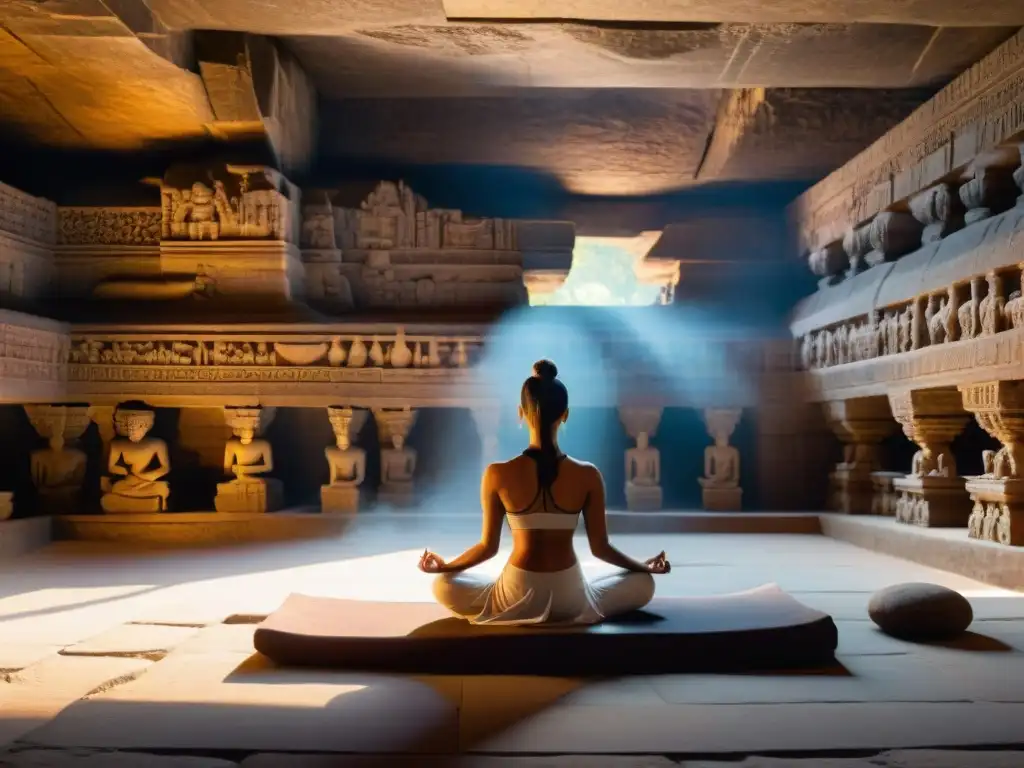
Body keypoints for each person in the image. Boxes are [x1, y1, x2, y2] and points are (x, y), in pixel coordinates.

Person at [421, 359, 670, 626]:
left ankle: (517, 608)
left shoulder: (497, 473)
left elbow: (487, 547)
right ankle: (577, 608)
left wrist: (446, 567)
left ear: (520, 412)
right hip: (569, 596)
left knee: (443, 585)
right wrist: (642, 568)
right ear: (565, 414)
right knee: (643, 583)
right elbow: (601, 548)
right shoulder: (587, 474)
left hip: (515, 592)